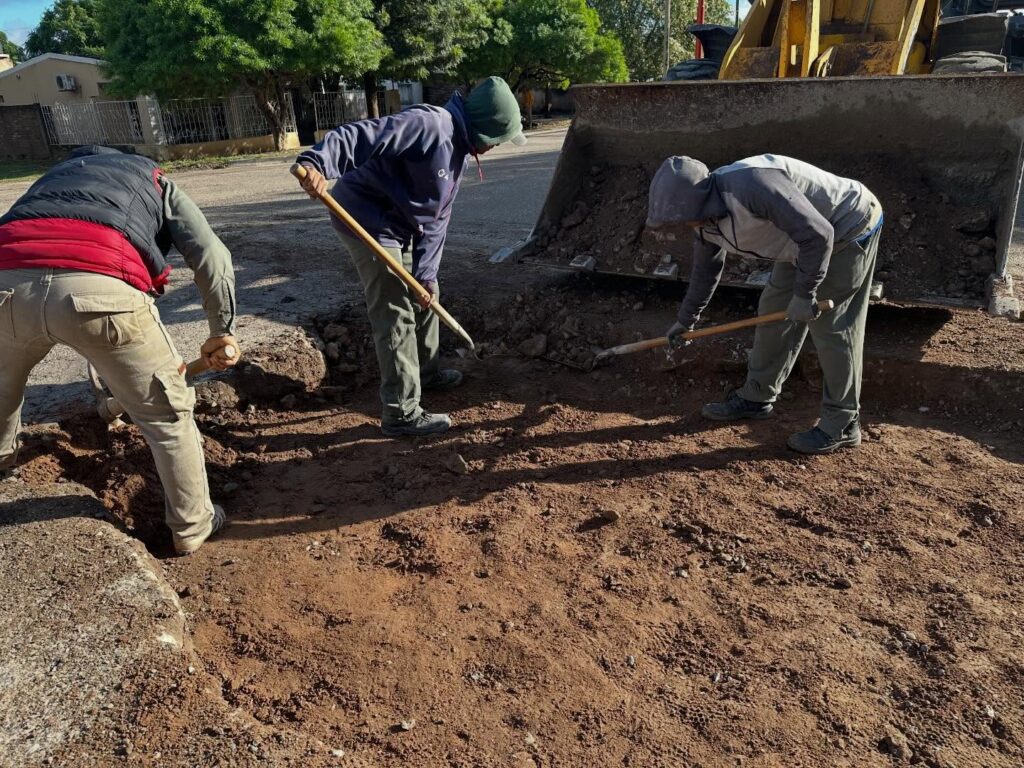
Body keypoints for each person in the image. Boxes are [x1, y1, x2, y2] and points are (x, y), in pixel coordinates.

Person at [0, 145, 239, 554]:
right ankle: (192, 526)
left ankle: (5, 474)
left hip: (5, 285)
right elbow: (211, 255)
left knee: (2, 390)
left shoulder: (53, 178)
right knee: (167, 415)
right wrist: (223, 331)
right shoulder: (154, 179)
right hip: (102, 288)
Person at [295, 76, 526, 437]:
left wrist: (427, 275)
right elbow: (360, 135)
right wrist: (317, 162)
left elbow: (437, 219)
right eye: (497, 139)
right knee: (395, 309)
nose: (495, 147)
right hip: (365, 219)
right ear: (484, 130)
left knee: (425, 297)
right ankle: (400, 412)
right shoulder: (430, 124)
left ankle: (427, 373)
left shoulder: (459, 150)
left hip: (400, 225)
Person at [646, 154, 883, 455]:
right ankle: (757, 396)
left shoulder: (752, 187)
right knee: (773, 311)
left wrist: (805, 294)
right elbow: (706, 270)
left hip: (846, 226)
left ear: (698, 200)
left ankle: (843, 423)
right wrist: (686, 319)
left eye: (682, 216)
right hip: (800, 242)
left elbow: (819, 235)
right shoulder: (704, 219)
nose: (682, 224)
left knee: (831, 327)